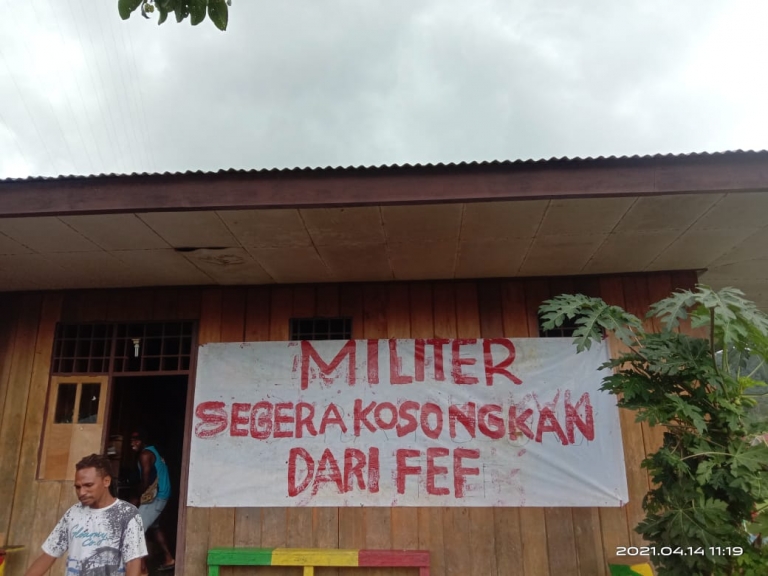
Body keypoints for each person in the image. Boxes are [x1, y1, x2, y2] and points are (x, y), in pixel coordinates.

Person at [25, 453, 147, 576]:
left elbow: (133, 562)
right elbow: (49, 555)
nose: (81, 492)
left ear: (106, 481)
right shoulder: (73, 513)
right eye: (78, 487)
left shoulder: (127, 514)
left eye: (88, 485)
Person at [130, 430, 175, 572]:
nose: (133, 443)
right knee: (155, 528)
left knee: (136, 530)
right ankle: (169, 558)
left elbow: (145, 481)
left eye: (136, 440)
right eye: (131, 440)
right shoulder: (154, 451)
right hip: (162, 494)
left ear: (143, 441)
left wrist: (136, 498)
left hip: (157, 496)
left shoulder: (145, 455)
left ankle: (141, 569)